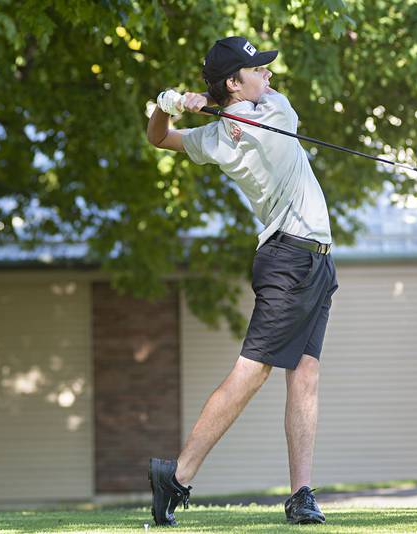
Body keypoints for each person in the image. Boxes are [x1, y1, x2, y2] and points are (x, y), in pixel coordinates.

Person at [145, 36, 338, 526]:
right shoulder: (263, 114)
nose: (269, 76)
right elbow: (161, 138)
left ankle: (300, 495)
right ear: (236, 81)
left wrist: (183, 102)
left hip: (314, 259)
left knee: (306, 373)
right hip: (289, 256)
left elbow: (166, 135)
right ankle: (179, 474)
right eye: (257, 70)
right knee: (252, 370)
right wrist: (171, 105)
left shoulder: (252, 119)